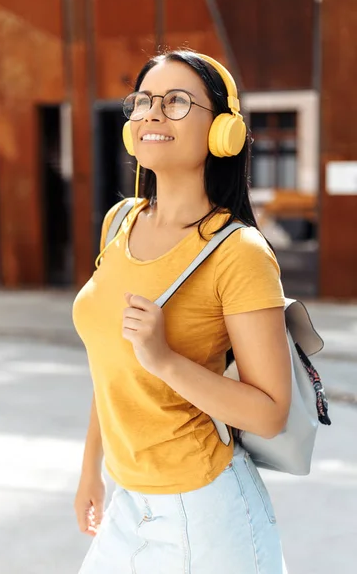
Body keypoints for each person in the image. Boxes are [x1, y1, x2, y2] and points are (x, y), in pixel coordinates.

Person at [72, 49, 291, 573]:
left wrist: (163, 358)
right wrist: (90, 471)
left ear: (223, 132)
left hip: (206, 509)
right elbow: (110, 370)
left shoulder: (239, 253)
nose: (150, 114)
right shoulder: (120, 222)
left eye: (175, 102)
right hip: (129, 497)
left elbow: (270, 413)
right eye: (143, 101)